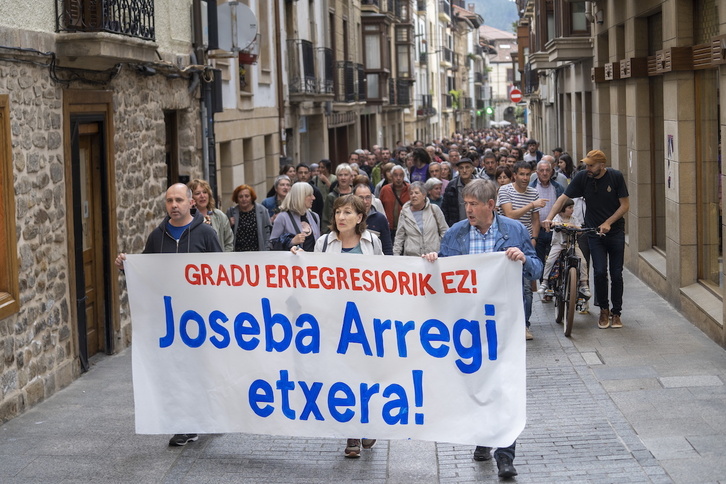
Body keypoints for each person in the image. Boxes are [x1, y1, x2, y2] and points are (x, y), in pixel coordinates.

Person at [422, 179, 542, 479]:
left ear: (490, 205)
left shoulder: (513, 231)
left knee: (503, 387)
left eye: (474, 204)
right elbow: (442, 278)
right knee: (475, 384)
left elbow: (537, 269)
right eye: (466, 204)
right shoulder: (456, 233)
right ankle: (482, 437)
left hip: (503, 324)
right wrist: (434, 262)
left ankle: (505, 453)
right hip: (467, 327)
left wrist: (523, 258)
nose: (469, 209)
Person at [114, 183, 222, 448]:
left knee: (198, 370)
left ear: (190, 203)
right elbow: (147, 273)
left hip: (200, 318)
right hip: (170, 319)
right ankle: (184, 424)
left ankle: (200, 418)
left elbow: (222, 274)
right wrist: (127, 267)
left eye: (178, 200)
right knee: (176, 370)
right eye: (169, 201)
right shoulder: (157, 236)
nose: (174, 205)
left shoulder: (206, 234)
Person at [292, 195, 382, 458]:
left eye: (348, 212)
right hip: (333, 320)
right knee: (343, 376)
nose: (341, 217)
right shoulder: (324, 242)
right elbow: (312, 274)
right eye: (338, 212)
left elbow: (386, 276)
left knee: (364, 375)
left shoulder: (372, 242)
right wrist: (299, 257)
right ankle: (352, 433)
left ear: (360, 218)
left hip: (364, 320)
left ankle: (368, 424)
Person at [543, 149, 629, 329]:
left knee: (616, 274)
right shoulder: (583, 177)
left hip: (615, 232)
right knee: (599, 272)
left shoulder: (615, 177)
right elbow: (562, 198)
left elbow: (625, 205)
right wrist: (550, 218)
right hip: (594, 232)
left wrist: (608, 222)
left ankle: (617, 312)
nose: (587, 167)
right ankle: (604, 310)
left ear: (602, 165)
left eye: (591, 165)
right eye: (587, 164)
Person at [497, 161, 546, 338]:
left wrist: (533, 238)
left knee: (526, 287)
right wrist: (532, 205)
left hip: (525, 244)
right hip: (504, 241)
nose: (525, 178)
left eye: (528, 174)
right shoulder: (505, 190)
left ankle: (524, 324)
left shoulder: (534, 192)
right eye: (522, 174)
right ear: (514, 175)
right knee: (504, 286)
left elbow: (535, 220)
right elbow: (510, 214)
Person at [538, 199, 591, 298]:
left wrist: (573, 226)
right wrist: (561, 225)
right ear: (562, 209)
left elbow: (579, 230)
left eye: (572, 208)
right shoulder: (556, 218)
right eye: (570, 208)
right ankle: (545, 282)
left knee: (583, 262)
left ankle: (584, 284)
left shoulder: (574, 219)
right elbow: (553, 224)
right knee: (550, 261)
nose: (572, 210)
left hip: (572, 245)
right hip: (558, 244)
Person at [393, 181, 448, 256]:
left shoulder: (434, 209)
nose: (413, 196)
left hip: (433, 257)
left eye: (416, 193)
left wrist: (442, 251)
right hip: (412, 258)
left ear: (424, 195)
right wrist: (396, 256)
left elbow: (445, 231)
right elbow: (399, 237)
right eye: (411, 193)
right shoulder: (405, 213)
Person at [529, 159, 565, 269]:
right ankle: (543, 285)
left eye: (547, 170)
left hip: (554, 230)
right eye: (542, 170)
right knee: (539, 262)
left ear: (551, 172)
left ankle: (553, 285)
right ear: (537, 172)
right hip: (537, 230)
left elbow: (563, 208)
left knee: (555, 262)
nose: (544, 173)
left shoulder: (558, 188)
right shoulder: (530, 188)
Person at [269, 182, 320, 251]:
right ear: (301, 197)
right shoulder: (282, 217)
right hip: (291, 261)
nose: (313, 198)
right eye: (309, 195)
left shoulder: (315, 216)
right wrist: (291, 242)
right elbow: (272, 244)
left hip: (313, 260)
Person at [188, 179, 233, 252]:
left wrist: (224, 259)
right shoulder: (187, 217)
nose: (202, 196)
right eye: (197, 193)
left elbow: (229, 242)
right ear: (191, 197)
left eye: (205, 192)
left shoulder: (219, 216)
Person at [227, 184, 272, 252]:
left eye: (247, 196)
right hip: (238, 254)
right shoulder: (231, 212)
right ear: (237, 198)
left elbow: (268, 232)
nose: (244, 199)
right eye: (240, 197)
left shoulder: (262, 211)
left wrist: (266, 250)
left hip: (258, 253)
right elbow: (226, 235)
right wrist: (229, 225)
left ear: (251, 197)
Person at [353, 183, 393, 255]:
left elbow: (387, 248)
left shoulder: (380, 219)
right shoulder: (348, 218)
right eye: (361, 198)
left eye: (368, 197)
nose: (365, 201)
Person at [441, 157, 476, 227]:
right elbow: (445, 209)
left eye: (467, 167)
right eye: (461, 168)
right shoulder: (452, 186)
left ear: (472, 169)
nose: (464, 170)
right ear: (458, 170)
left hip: (477, 225)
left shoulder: (480, 185)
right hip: (457, 226)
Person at [322, 163, 354, 233]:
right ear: (337, 177)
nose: (343, 178)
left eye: (346, 175)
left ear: (351, 177)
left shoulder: (356, 194)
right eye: (340, 175)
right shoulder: (331, 197)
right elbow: (326, 220)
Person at [378, 165, 410, 234]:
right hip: (389, 228)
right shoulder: (385, 189)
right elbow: (380, 208)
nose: (398, 178)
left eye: (401, 175)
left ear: (404, 177)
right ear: (391, 177)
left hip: (405, 227)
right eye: (395, 175)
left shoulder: (410, 189)